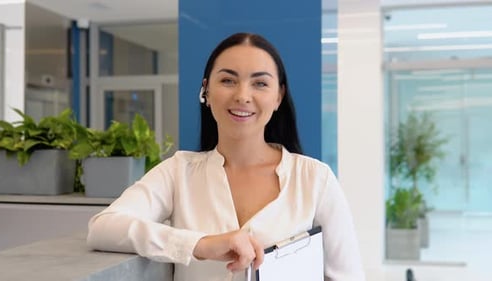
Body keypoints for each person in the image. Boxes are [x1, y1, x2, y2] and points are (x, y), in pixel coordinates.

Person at [87, 32, 365, 281]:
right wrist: (200, 244)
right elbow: (103, 228)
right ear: (206, 91)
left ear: (278, 96)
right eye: (228, 80)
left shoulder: (315, 179)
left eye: (260, 84)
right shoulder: (178, 172)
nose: (243, 96)